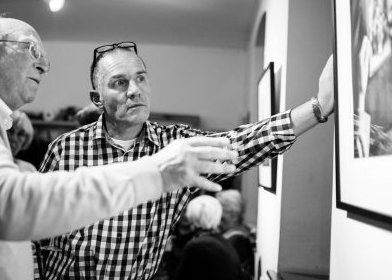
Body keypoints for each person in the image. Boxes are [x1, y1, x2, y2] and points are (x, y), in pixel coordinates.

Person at [0, 13, 239, 280]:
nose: (44, 65)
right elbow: (10, 207)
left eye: (141, 79)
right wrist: (159, 170)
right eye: (32, 50)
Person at [37, 41, 334, 279]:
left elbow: (241, 144)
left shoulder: (175, 145)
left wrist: (318, 107)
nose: (135, 90)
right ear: (97, 97)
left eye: (141, 78)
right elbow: (33, 233)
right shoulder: (65, 149)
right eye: (119, 82)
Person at [173, 195, 243, 280]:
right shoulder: (221, 241)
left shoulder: (197, 245)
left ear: (192, 216)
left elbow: (180, 276)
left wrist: (169, 253)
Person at [216, 189, 255, 278]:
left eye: (221, 211)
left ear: (233, 216)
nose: (217, 216)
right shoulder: (240, 231)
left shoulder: (237, 239)